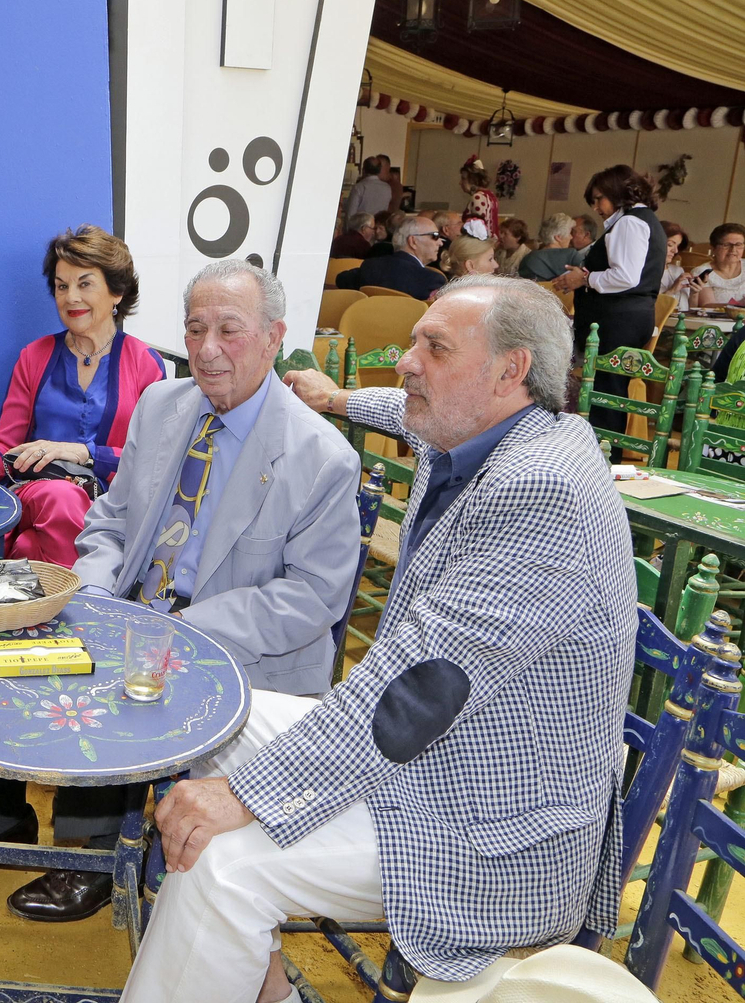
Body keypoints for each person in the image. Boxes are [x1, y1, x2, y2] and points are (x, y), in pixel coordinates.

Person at [122, 275, 633, 1003]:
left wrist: (245, 794)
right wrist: (335, 399)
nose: (405, 361)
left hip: (488, 823)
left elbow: (415, 689)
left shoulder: (543, 491)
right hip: (437, 753)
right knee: (210, 713)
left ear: (510, 371)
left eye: (434, 346)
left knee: (219, 867)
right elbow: (400, 405)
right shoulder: (487, 426)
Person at [0, 259, 361, 925]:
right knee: (15, 640)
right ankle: (7, 811)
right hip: (133, 611)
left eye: (229, 330)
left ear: (273, 338)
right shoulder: (164, 405)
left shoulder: (320, 456)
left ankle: (92, 851)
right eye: (195, 328)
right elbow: (113, 521)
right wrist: (92, 595)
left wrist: (175, 632)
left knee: (113, 683)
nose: (207, 350)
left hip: (234, 647)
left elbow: (310, 599)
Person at [0, 225, 166, 566]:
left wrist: (84, 453)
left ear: (117, 292)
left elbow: (156, 461)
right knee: (60, 496)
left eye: (85, 284)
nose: (70, 298)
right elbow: (6, 445)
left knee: (28, 548)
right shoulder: (34, 356)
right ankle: (83, 609)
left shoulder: (145, 364)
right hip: (39, 492)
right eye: (61, 286)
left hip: (112, 505)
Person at [553, 165, 665, 438]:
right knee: (609, 389)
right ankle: (604, 453)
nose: (596, 207)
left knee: (607, 392)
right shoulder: (642, 219)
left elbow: (626, 277)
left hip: (619, 320)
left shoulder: (630, 222)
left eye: (599, 198)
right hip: (627, 317)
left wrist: (585, 279)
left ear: (617, 193)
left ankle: (605, 456)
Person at [335, 215, 445, 300]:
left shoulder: (370, 267)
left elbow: (340, 279)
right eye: (435, 236)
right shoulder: (432, 280)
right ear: (413, 241)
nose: (440, 243)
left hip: (368, 327)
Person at [689, 223, 745, 308]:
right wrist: (739, 306)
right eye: (726, 245)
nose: (733, 250)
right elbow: (706, 305)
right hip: (714, 320)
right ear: (714, 248)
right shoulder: (703, 272)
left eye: (738, 245)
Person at [517, 212, 580, 280]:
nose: (571, 237)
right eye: (570, 233)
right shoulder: (572, 256)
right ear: (558, 237)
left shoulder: (529, 258)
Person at [459, 155, 498, 239]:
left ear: (473, 180)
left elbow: (477, 229)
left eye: (463, 178)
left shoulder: (478, 197)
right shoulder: (490, 194)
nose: (460, 182)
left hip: (480, 245)